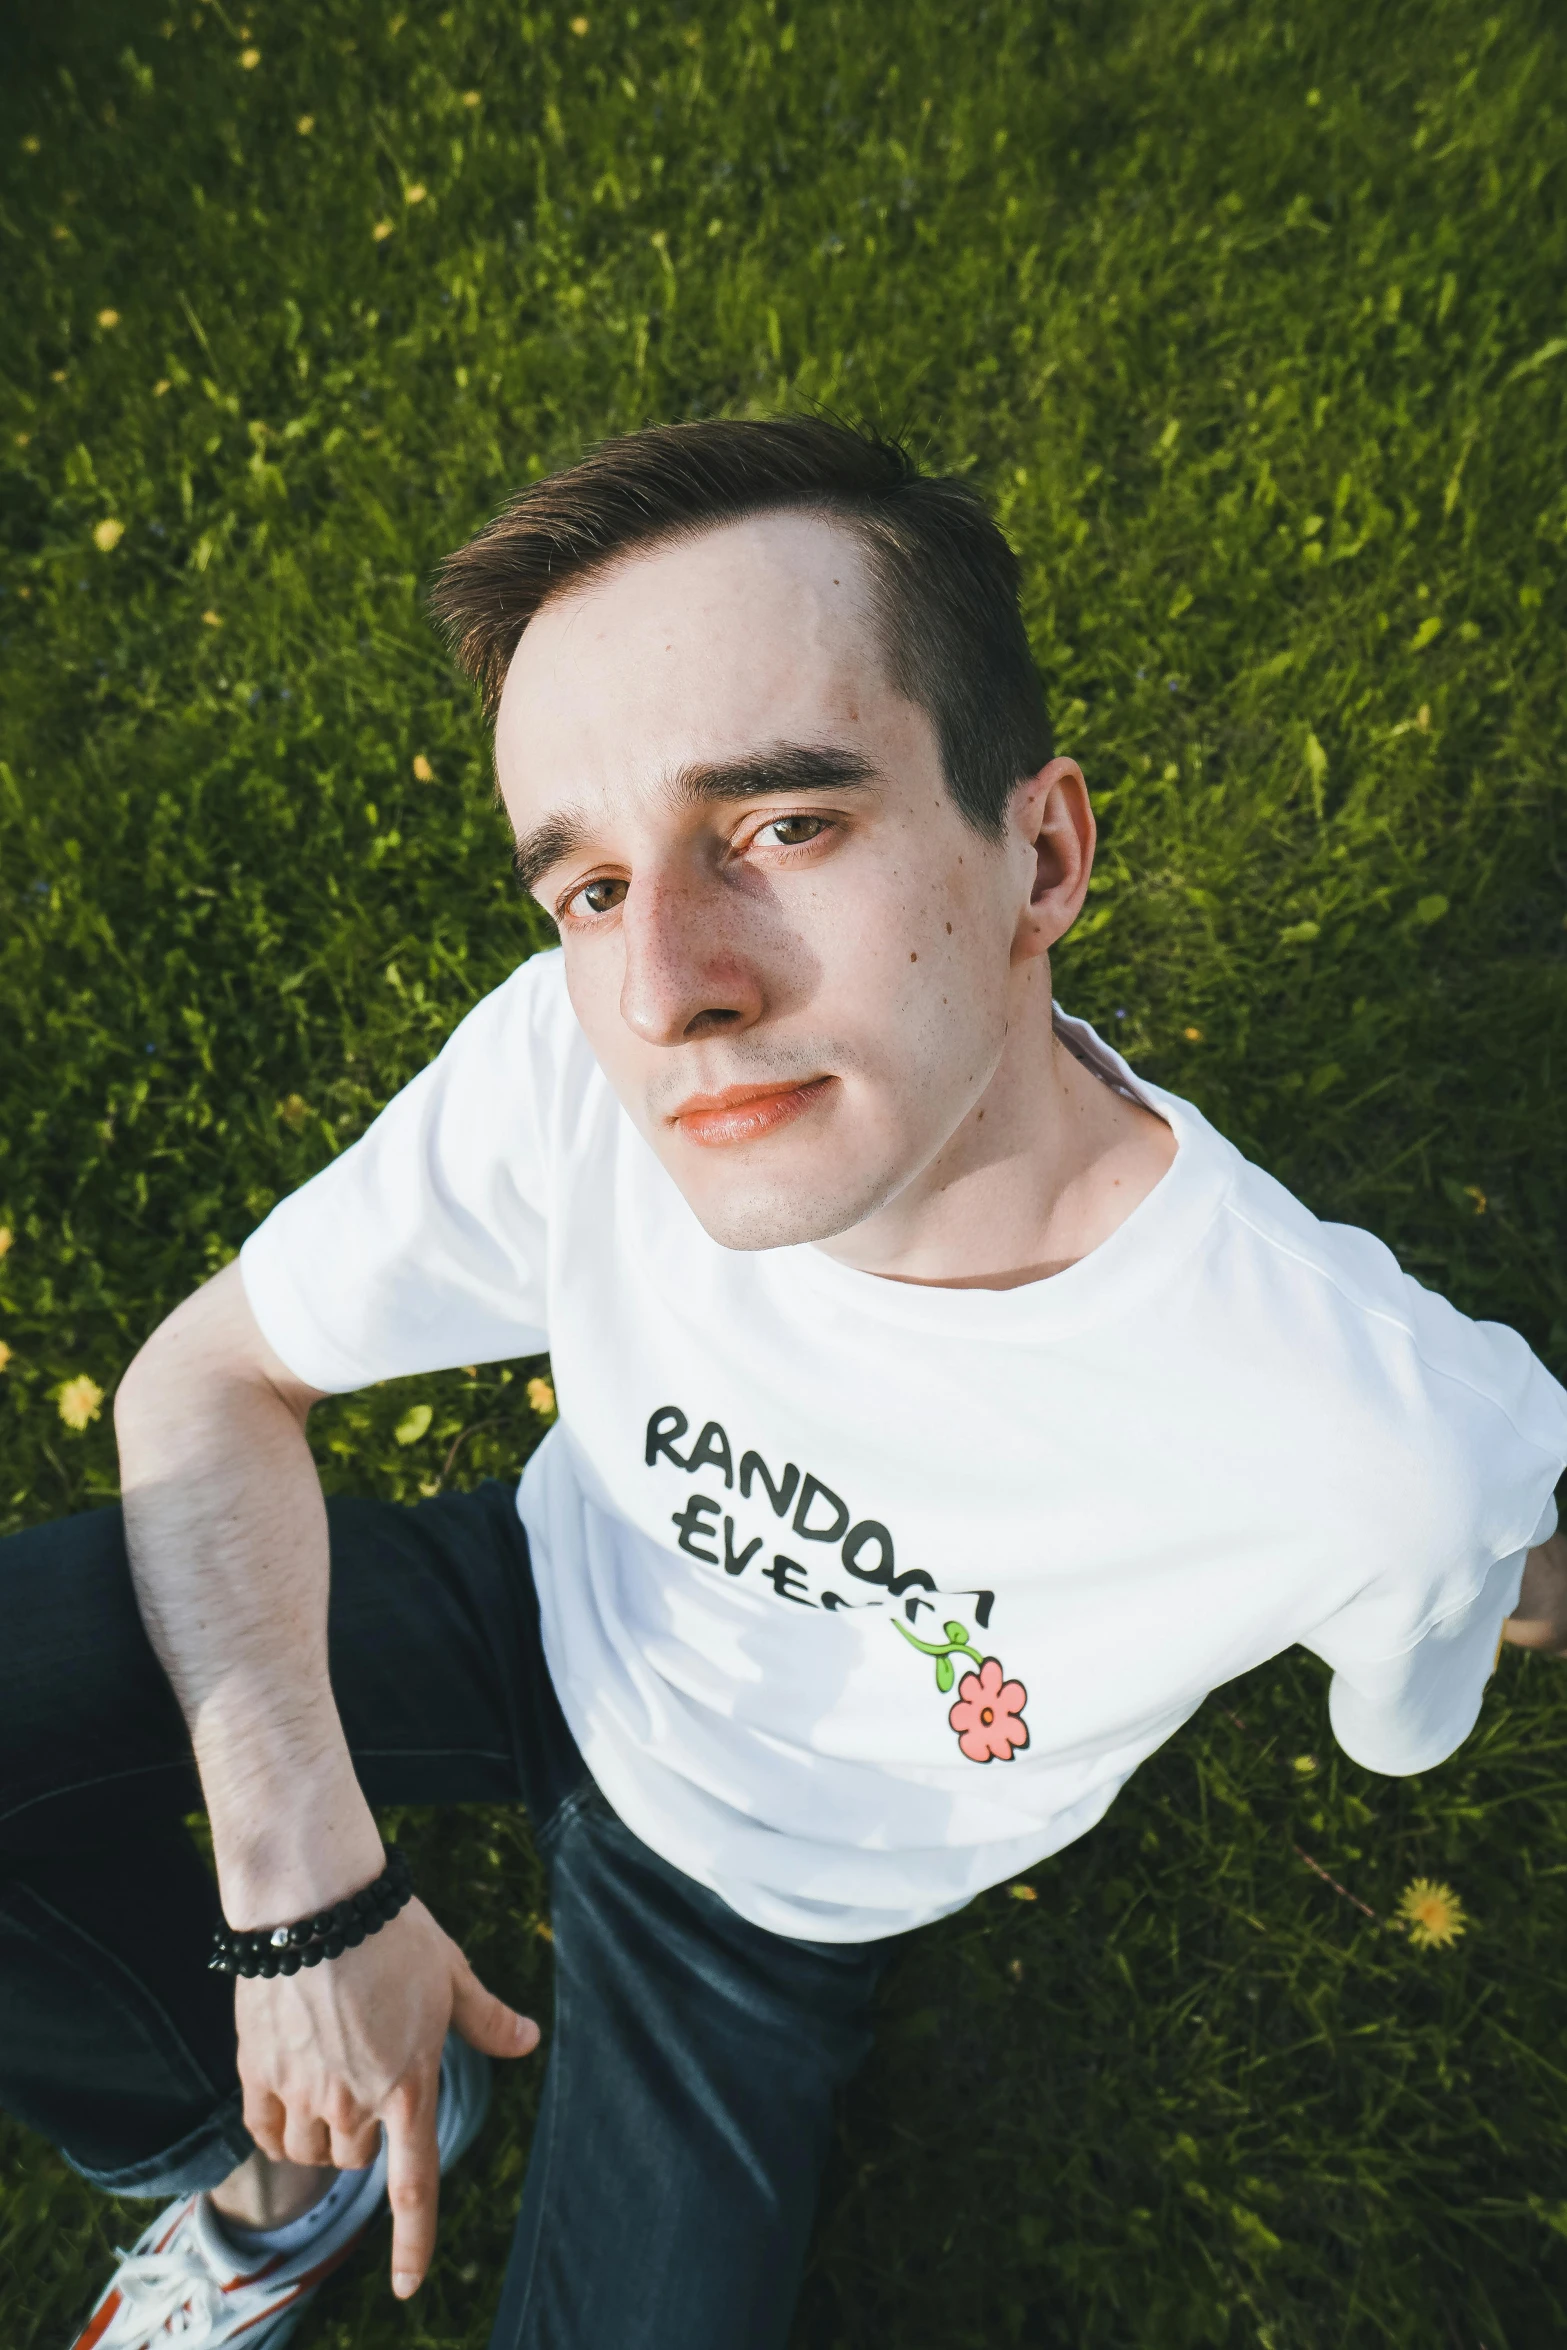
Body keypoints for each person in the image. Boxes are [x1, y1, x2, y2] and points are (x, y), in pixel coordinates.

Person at [4, 417, 1565, 2350]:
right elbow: (211, 1369)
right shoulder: (571, 1065)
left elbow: (1492, 1564)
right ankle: (256, 2164)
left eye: (781, 824)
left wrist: (1498, 1542)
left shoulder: (1359, 1439)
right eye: (583, 885)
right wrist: (300, 1885)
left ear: (1043, 850)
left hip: (770, 1899)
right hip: (541, 1597)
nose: (666, 987)